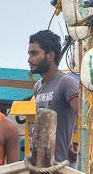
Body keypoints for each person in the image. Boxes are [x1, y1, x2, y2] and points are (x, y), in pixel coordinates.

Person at [28, 30, 80, 165]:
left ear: (50, 56)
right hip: (40, 164)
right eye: (29, 54)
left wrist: (77, 146)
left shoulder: (66, 83)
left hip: (61, 166)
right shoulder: (37, 86)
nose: (29, 59)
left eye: (34, 54)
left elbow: (85, 117)